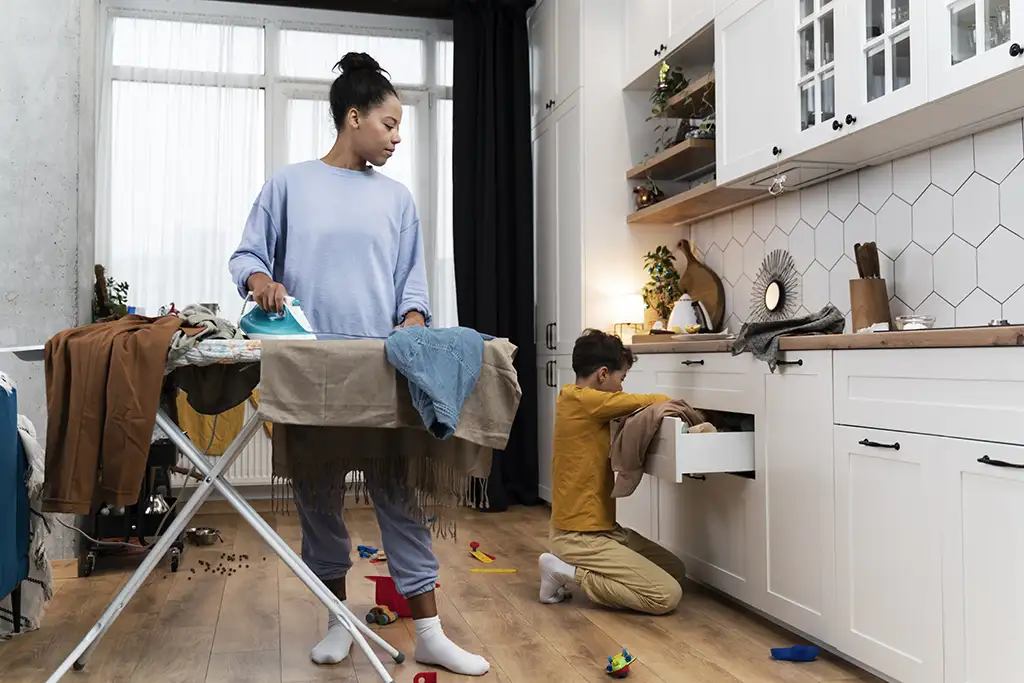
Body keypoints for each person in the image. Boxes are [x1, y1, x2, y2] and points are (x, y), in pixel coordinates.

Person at [228, 52, 489, 676]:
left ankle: (428, 631)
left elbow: (413, 286)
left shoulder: (398, 200)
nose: (398, 138)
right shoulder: (288, 185)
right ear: (353, 118)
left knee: (397, 495)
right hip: (310, 367)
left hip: (377, 368)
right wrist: (262, 279)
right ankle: (338, 621)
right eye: (390, 124)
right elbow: (245, 256)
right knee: (318, 498)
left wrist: (415, 323)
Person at [538, 329, 687, 615]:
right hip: (579, 537)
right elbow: (654, 399)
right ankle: (564, 572)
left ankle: (579, 568)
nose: (621, 387)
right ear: (603, 374)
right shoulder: (585, 401)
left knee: (675, 570)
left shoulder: (577, 399)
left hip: (604, 530)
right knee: (665, 596)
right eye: (621, 379)